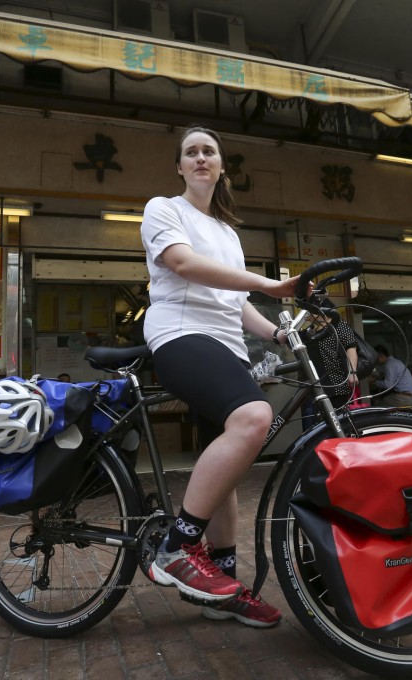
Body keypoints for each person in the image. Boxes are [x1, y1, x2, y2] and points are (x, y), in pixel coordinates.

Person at [140, 125, 299, 628]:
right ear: (180, 166)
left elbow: (236, 303)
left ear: (222, 165)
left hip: (227, 346)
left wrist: (280, 336)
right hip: (180, 334)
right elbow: (183, 264)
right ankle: (177, 546)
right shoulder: (164, 209)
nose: (201, 158)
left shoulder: (229, 234)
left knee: (227, 471)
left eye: (209, 151)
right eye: (191, 152)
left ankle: (223, 588)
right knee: (255, 417)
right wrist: (270, 283)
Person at [299, 299, 359, 430]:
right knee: (313, 428)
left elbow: (351, 348)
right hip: (313, 387)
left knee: (338, 424)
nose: (308, 314)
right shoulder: (309, 331)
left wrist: (352, 372)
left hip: (336, 385)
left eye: (311, 310)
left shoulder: (339, 326)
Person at [371, 345, 412, 409]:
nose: (375, 361)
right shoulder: (396, 361)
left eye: (375, 358)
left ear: (380, 356)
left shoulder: (389, 364)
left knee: (376, 407)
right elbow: (385, 374)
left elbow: (388, 385)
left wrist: (373, 382)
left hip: (404, 398)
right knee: (385, 398)